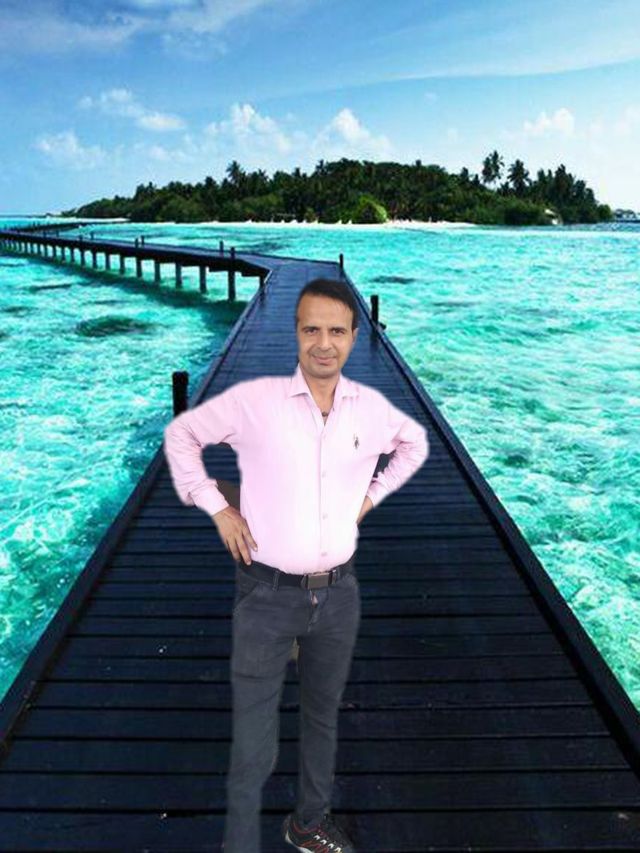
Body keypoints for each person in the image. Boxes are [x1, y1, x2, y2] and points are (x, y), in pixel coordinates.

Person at [163, 277, 430, 852]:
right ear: (296, 333)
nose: (323, 343)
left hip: (338, 594)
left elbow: (415, 444)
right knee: (254, 733)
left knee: (321, 717)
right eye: (312, 330)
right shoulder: (256, 402)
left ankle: (307, 825)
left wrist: (369, 498)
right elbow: (182, 434)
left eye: (336, 331)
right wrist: (217, 507)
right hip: (266, 594)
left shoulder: (372, 410)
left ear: (354, 336)